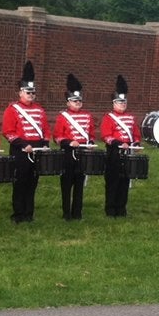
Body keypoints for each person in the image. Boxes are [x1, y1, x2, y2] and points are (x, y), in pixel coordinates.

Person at [3, 61, 49, 223]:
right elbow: (8, 132)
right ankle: (18, 214)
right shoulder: (12, 109)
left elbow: (45, 129)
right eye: (28, 92)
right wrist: (23, 145)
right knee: (20, 182)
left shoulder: (39, 109)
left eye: (32, 92)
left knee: (32, 183)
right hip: (21, 150)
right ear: (20, 93)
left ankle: (29, 213)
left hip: (36, 149)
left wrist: (45, 143)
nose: (31, 95)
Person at [53, 74, 95, 221]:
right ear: (68, 102)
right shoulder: (62, 117)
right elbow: (57, 136)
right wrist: (69, 142)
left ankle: (77, 213)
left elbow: (91, 134)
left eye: (79, 100)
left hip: (82, 154)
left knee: (79, 185)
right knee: (66, 185)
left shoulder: (88, 116)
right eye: (74, 101)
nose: (77, 103)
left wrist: (90, 143)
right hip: (68, 154)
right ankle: (66, 213)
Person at [100, 75, 141, 217]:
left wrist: (135, 143)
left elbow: (136, 134)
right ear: (114, 103)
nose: (122, 104)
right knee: (113, 181)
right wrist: (119, 143)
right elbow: (106, 136)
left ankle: (122, 208)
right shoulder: (108, 117)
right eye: (119, 102)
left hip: (128, 151)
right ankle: (110, 209)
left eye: (124, 102)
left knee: (125, 180)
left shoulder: (131, 118)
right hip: (114, 152)